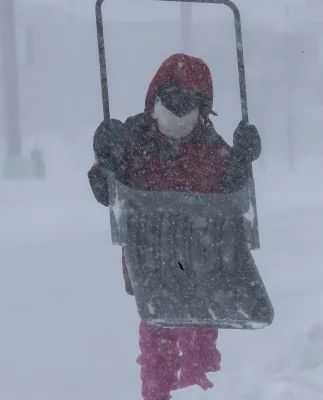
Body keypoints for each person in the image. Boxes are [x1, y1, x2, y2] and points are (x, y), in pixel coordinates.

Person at [87, 53, 261, 400]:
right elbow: (108, 193)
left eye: (188, 103)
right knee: (160, 335)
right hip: (151, 256)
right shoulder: (132, 139)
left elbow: (230, 193)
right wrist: (104, 158)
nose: (178, 112)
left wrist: (242, 159)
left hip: (202, 255)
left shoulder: (210, 146)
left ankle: (199, 390)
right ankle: (162, 394)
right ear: (156, 98)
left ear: (202, 108)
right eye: (171, 101)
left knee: (198, 330)